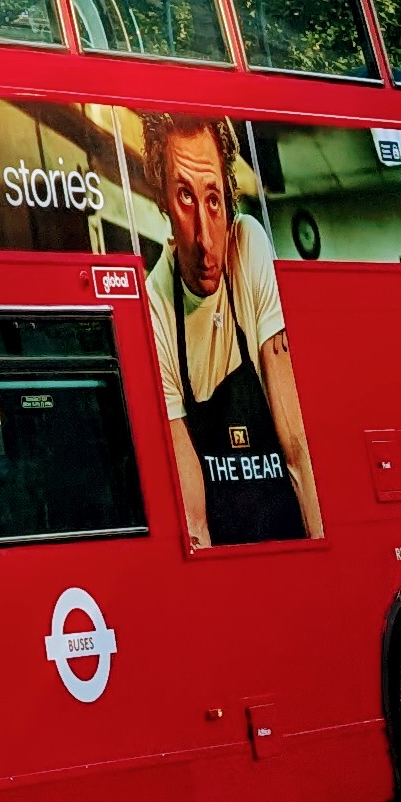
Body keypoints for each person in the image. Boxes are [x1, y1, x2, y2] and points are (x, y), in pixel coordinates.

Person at [143, 111, 323, 548]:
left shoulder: (247, 246)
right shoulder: (155, 306)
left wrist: (324, 558)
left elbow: (296, 444)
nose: (207, 240)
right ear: (163, 201)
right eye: (185, 198)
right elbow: (193, 518)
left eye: (214, 200)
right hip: (226, 557)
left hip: (288, 535)